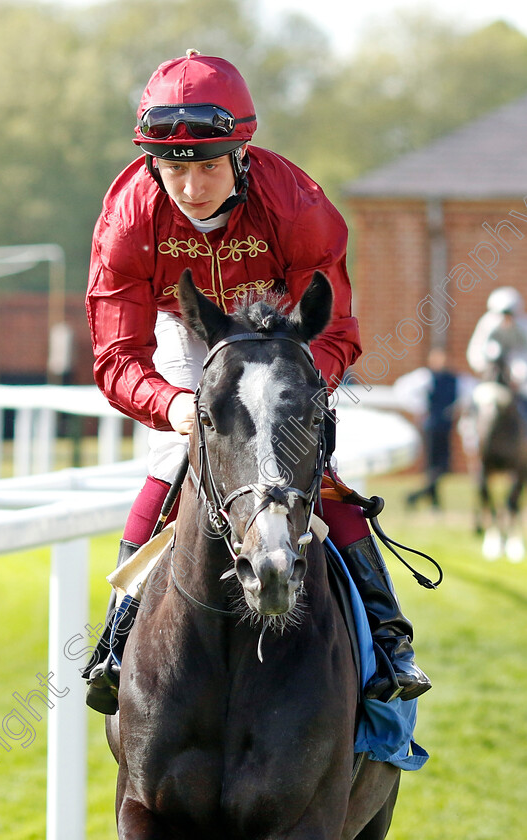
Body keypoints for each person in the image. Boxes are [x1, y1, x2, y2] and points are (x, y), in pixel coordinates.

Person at [83, 50, 431, 714]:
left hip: (277, 328)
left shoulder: (296, 204)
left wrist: (298, 394)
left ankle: (389, 638)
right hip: (186, 329)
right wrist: (172, 404)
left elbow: (333, 329)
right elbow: (116, 357)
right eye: (174, 169)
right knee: (168, 456)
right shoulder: (127, 219)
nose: (190, 189)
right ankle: (116, 636)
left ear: (241, 154)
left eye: (208, 167)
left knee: (300, 459)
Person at [396, 348, 461, 510]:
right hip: (431, 427)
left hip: (445, 427)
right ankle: (428, 501)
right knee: (434, 466)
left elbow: (466, 395)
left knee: (441, 466)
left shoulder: (454, 379)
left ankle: (424, 499)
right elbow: (402, 390)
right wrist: (420, 408)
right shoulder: (424, 377)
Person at [467, 286, 527, 415]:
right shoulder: (488, 325)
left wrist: (519, 376)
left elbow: (523, 353)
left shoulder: (522, 327)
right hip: (491, 375)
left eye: (509, 314)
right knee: (475, 399)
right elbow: (476, 351)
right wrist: (485, 366)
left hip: (517, 381)